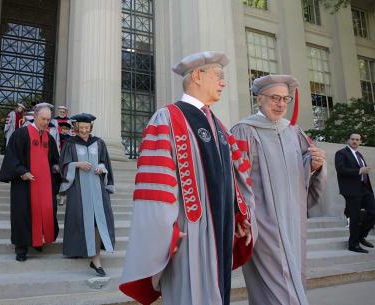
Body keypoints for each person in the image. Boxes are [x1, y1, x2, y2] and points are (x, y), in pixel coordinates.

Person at [120, 51, 254, 305]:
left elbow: (232, 178)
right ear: (197, 76)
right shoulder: (168, 119)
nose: (223, 82)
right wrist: (163, 230)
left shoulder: (219, 126)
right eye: (218, 76)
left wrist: (237, 214)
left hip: (220, 233)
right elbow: (156, 183)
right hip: (189, 234)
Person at [231, 74, 327, 305]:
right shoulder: (244, 130)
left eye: (286, 99)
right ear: (259, 100)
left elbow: (303, 173)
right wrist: (242, 217)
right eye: (275, 98)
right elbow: (234, 178)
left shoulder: (294, 132)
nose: (281, 104)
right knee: (277, 288)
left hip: (292, 220)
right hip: (263, 222)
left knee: (291, 279)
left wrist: (314, 165)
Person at [0, 104, 60, 262]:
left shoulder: (50, 138)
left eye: (48, 119)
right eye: (43, 119)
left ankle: (39, 241)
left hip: (45, 185)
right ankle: (21, 248)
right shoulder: (21, 134)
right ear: (35, 117)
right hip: (24, 184)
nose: (46, 122)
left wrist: (56, 168)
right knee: (23, 214)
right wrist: (21, 171)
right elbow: (11, 156)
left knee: (46, 211)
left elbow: (54, 160)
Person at [59, 113, 115, 277]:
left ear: (91, 128)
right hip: (78, 190)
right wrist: (77, 164)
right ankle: (78, 249)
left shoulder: (99, 143)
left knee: (98, 221)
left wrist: (101, 168)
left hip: (97, 189)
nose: (84, 131)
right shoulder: (70, 143)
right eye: (81, 128)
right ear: (76, 128)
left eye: (87, 128)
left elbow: (105, 162)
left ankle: (96, 259)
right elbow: (64, 164)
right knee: (79, 219)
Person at [335, 133, 375, 253]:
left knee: (373, 212)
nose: (355, 141)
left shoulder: (359, 154)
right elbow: (341, 169)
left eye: (357, 140)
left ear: (360, 142)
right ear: (348, 140)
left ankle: (360, 236)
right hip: (352, 190)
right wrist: (359, 171)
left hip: (365, 189)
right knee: (355, 217)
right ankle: (353, 244)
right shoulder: (342, 153)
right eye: (353, 139)